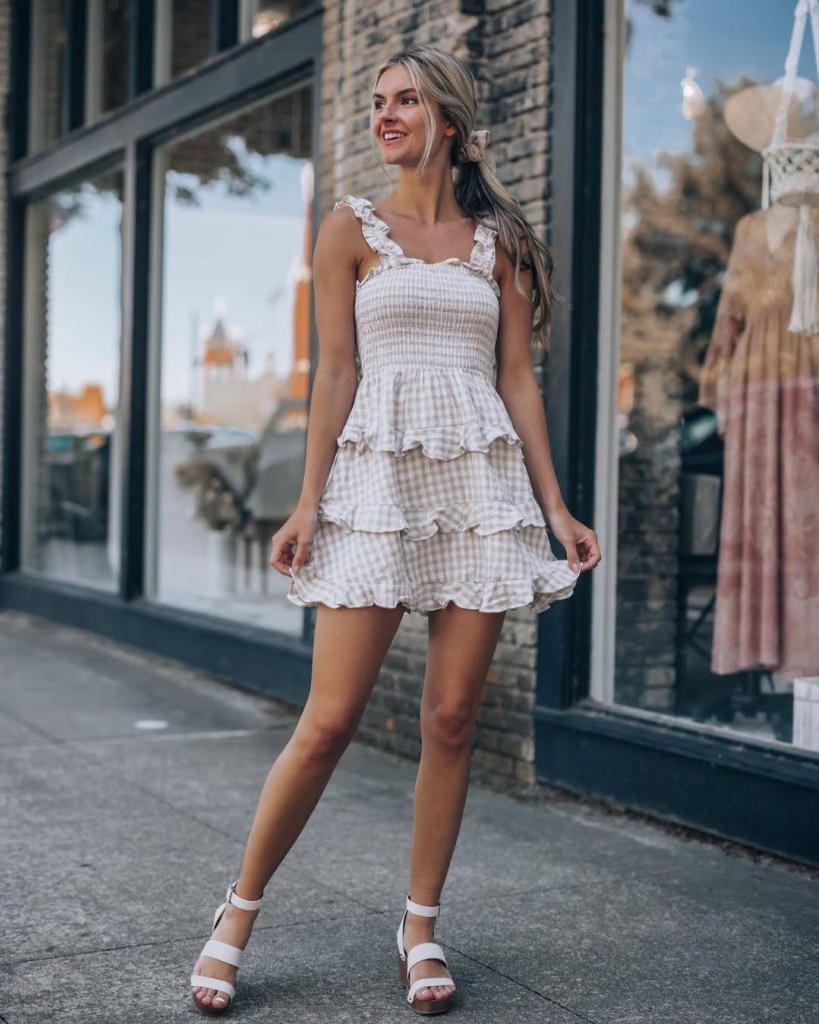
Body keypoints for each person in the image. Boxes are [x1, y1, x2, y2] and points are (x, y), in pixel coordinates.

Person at [190, 43, 601, 1017]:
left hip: (477, 484)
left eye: (406, 100)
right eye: (378, 101)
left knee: (450, 719)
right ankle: (236, 913)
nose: (385, 115)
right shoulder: (348, 228)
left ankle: (420, 923)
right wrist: (306, 500)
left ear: (448, 122)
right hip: (374, 485)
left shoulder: (497, 240)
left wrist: (555, 508)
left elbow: (515, 380)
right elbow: (334, 375)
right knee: (328, 721)